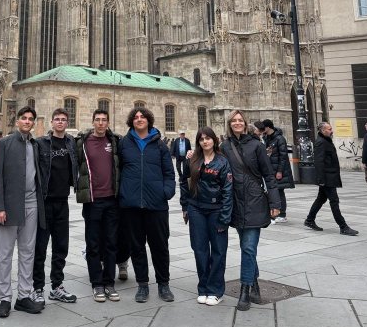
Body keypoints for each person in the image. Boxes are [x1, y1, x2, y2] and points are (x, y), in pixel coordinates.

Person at [221, 109, 280, 312]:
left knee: (247, 247)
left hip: (255, 200)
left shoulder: (256, 145)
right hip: (235, 203)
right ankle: (254, 284)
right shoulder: (225, 146)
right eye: (233, 121)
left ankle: (245, 289)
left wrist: (275, 203)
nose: (237, 123)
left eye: (240, 120)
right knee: (247, 247)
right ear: (229, 124)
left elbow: (269, 176)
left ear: (245, 124)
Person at [0, 106, 45, 318]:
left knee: (27, 252)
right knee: (4, 255)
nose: (27, 121)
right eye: (24, 118)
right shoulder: (4, 143)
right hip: (9, 206)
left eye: (31, 119)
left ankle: (24, 296)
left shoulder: (35, 144)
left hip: (31, 204)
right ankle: (4, 298)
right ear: (17, 121)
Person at [119, 108, 176, 303]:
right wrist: (123, 194)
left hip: (156, 204)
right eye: (135, 117)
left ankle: (163, 284)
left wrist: (166, 192)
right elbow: (117, 171)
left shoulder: (159, 145)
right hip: (132, 204)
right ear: (131, 122)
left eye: (142, 117)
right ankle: (142, 285)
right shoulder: (124, 143)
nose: (139, 119)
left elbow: (169, 172)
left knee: (160, 246)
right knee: (137, 247)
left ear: (149, 120)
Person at [32, 108, 79, 307]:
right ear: (51, 123)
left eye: (63, 120)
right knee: (40, 247)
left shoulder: (71, 143)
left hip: (62, 201)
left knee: (61, 247)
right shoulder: (41, 143)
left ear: (67, 123)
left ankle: (57, 286)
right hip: (44, 202)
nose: (60, 122)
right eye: (57, 119)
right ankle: (37, 288)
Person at [181, 128, 233, 306]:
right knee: (200, 249)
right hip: (196, 208)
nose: (205, 141)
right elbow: (184, 182)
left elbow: (227, 190)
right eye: (201, 139)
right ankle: (203, 287)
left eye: (208, 138)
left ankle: (216, 290)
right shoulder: (193, 159)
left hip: (216, 209)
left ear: (214, 140)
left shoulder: (222, 162)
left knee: (218, 251)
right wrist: (184, 206)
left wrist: (225, 217)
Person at [76, 109, 121, 303]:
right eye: (98, 120)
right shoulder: (82, 143)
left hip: (112, 200)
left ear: (108, 122)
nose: (101, 123)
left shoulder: (115, 142)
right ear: (92, 122)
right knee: (93, 244)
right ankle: (97, 284)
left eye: (104, 120)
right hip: (93, 200)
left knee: (111, 243)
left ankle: (109, 283)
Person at [305, 122, 358, 236]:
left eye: (331, 128)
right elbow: (318, 162)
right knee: (334, 201)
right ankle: (343, 226)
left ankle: (309, 220)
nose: (331, 130)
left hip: (330, 176)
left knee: (321, 199)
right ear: (323, 131)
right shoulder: (321, 142)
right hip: (327, 178)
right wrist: (321, 180)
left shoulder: (326, 141)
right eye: (329, 129)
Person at [261, 120, 294, 223]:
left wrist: (280, 171)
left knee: (279, 191)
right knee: (273, 191)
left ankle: (282, 214)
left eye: (263, 128)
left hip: (278, 170)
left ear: (268, 127)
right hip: (270, 169)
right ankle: (274, 212)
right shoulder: (267, 138)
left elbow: (283, 156)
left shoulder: (280, 139)